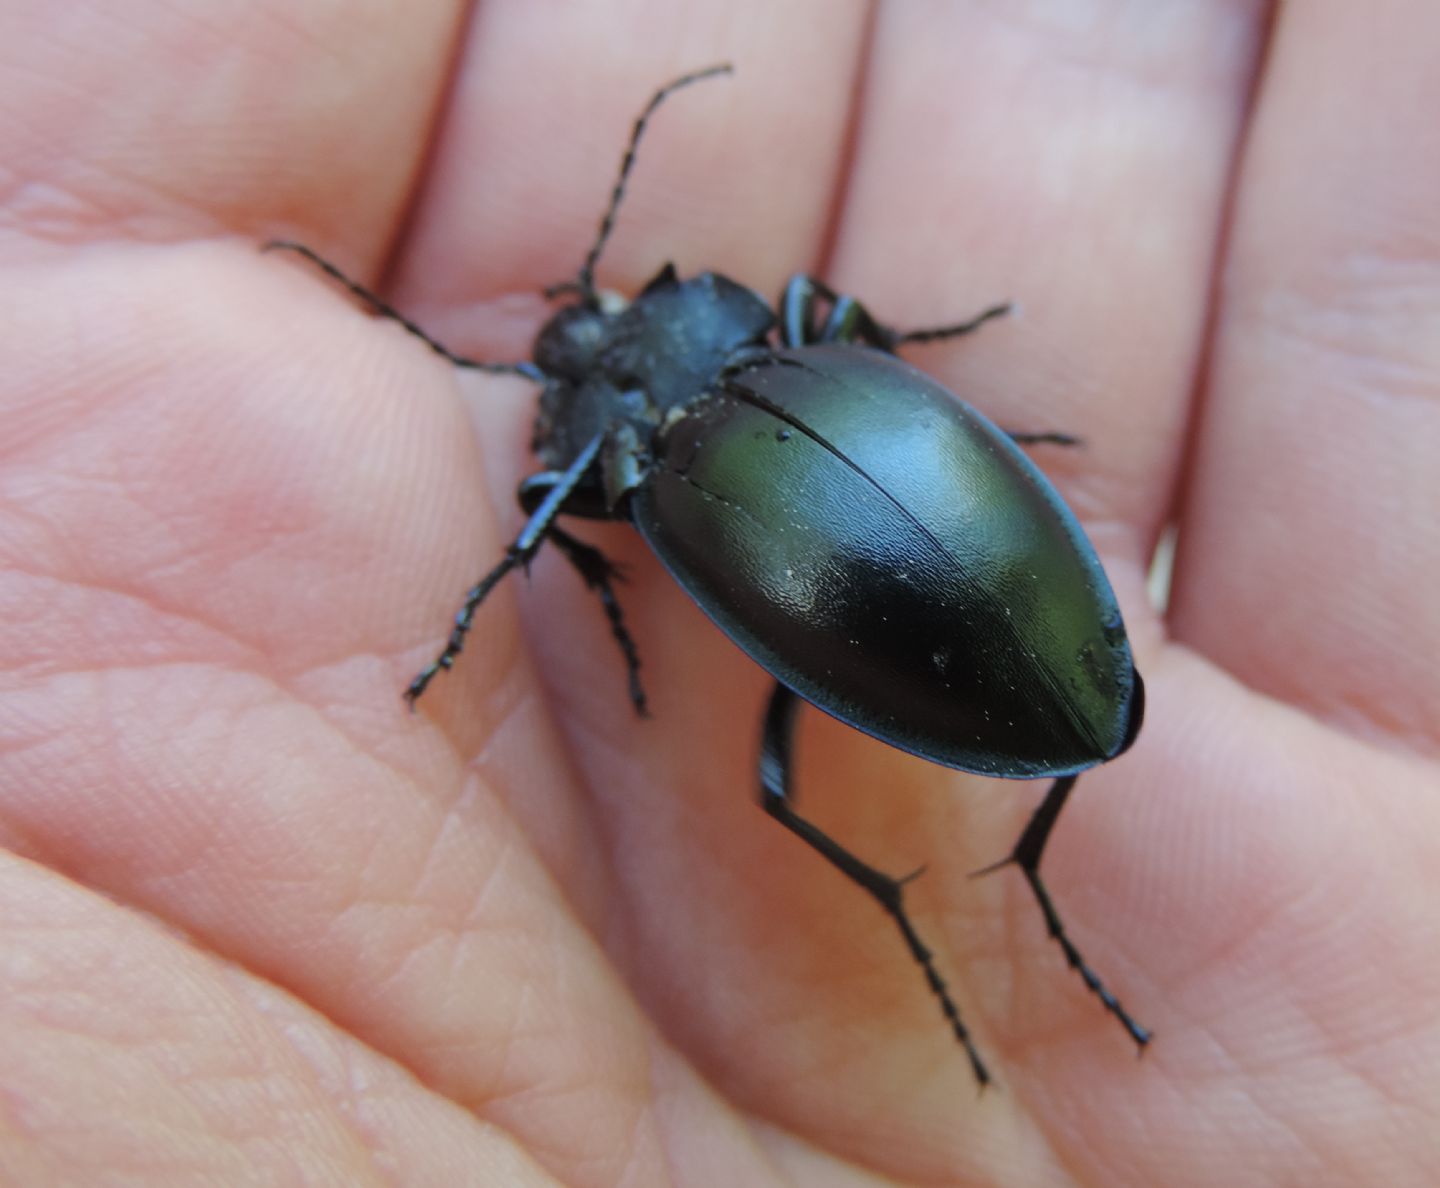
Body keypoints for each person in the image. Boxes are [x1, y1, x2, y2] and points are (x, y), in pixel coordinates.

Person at [1, 4, 1435, 1184]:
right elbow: (759, 372)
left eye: (593, 339)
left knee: (775, 781)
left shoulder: (657, 479)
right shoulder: (775, 354)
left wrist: (543, 586)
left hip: (957, 544)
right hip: (958, 522)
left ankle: (1005, 886)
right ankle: (1002, 891)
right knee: (809, 744)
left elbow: (564, 501)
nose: (585, 338)